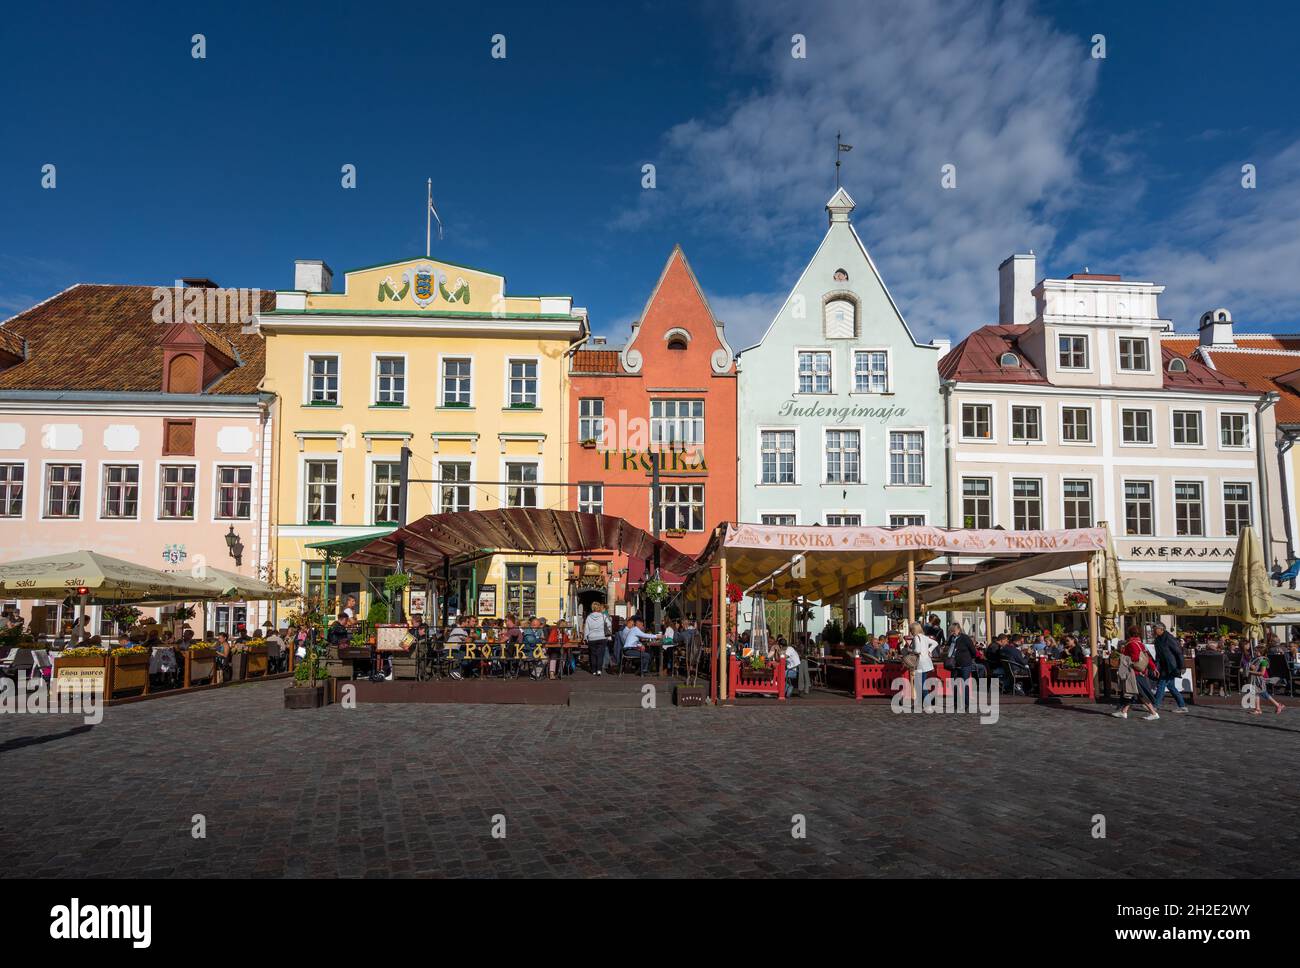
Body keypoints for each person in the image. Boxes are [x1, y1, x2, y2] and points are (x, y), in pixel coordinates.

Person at [1112, 626, 1160, 721]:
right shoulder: (1140, 643)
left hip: (1135, 672)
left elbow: (1134, 658)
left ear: (1129, 633)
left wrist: (1124, 655)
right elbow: (1148, 658)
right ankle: (1124, 712)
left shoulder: (1130, 644)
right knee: (1131, 692)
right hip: (1141, 672)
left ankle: (1153, 713)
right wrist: (1154, 668)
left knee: (1139, 693)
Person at [1151, 622, 1188, 713]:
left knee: (1161, 684)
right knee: (1171, 687)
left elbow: (1178, 652)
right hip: (1164, 666)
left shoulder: (1169, 638)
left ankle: (1155, 705)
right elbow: (1158, 654)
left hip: (1171, 666)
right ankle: (1182, 706)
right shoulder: (1158, 639)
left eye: (1155, 629)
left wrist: (1182, 666)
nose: (1153, 630)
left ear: (1161, 629)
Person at [1245, 645, 1285, 715]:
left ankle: (1278, 705)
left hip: (1259, 681)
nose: (1254, 652)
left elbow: (1262, 673)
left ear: (1260, 652)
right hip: (1254, 680)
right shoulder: (1255, 659)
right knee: (1256, 694)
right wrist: (1251, 667)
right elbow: (1254, 667)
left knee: (1264, 694)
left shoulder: (1263, 661)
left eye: (1256, 651)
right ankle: (1258, 709)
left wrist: (1249, 671)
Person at [908, 621, 937, 698]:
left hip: (920, 663)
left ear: (913, 630)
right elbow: (935, 643)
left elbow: (917, 650)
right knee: (922, 682)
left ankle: (927, 700)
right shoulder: (924, 637)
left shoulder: (916, 638)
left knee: (921, 683)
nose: (910, 632)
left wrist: (910, 650)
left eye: (911, 630)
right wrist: (929, 650)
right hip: (927, 662)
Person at [947, 621, 978, 687]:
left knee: (965, 684)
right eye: (951, 631)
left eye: (953, 631)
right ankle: (956, 697)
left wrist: (970, 658)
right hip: (954, 664)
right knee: (954, 684)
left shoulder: (965, 638)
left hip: (965, 664)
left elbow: (973, 650)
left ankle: (965, 697)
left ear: (959, 629)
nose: (952, 633)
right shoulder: (951, 638)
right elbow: (948, 647)